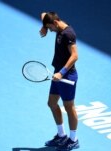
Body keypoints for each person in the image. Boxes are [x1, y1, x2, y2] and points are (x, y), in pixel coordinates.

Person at [39, 12, 79, 150]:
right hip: (57, 74)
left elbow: (75, 56)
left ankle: (73, 139)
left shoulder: (68, 34)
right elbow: (44, 14)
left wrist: (62, 73)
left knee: (69, 107)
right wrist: (43, 25)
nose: (50, 31)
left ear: (55, 23)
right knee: (51, 103)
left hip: (66, 76)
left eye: (50, 28)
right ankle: (61, 136)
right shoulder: (58, 27)